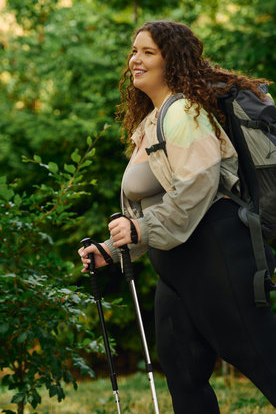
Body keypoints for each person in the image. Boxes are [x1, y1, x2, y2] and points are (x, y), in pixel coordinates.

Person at [78, 21, 276, 413]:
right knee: (182, 369)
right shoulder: (152, 121)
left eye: (148, 52)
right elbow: (149, 206)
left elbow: (197, 186)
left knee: (260, 357)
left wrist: (142, 229)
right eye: (134, 51)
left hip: (217, 250)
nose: (135, 59)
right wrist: (113, 249)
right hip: (178, 260)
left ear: (173, 61)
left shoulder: (185, 111)